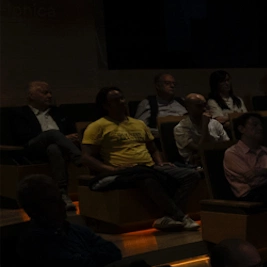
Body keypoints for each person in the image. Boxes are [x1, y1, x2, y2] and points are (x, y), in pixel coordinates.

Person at [81, 86, 202, 231]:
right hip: (124, 170)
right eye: (115, 100)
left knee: (191, 174)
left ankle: (169, 217)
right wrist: (111, 169)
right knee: (147, 179)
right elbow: (87, 157)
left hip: (149, 167)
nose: (121, 102)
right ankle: (180, 216)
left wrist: (160, 162)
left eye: (122, 98)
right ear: (106, 106)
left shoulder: (138, 123)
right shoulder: (97, 126)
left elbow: (153, 149)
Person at [11, 175, 120, 267]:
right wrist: (93, 256)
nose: (63, 204)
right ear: (34, 208)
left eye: (60, 197)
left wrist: (86, 258)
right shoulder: (32, 242)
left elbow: (113, 251)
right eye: (53, 200)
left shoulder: (75, 229)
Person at [6, 80, 82, 204]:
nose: (50, 96)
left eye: (50, 93)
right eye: (45, 93)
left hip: (58, 149)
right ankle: (79, 158)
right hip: (32, 148)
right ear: (31, 96)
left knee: (53, 148)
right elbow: (21, 136)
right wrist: (57, 137)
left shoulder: (58, 112)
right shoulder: (19, 113)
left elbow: (71, 131)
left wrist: (63, 139)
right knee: (52, 133)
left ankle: (62, 193)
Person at [221, 113, 267, 206]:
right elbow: (254, 182)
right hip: (250, 195)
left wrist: (265, 172)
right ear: (241, 129)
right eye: (255, 125)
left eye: (261, 125)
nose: (260, 128)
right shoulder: (233, 153)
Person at [172, 93, 227, 168]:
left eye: (205, 105)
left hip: (220, 159)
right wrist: (205, 126)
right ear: (187, 107)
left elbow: (226, 144)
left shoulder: (215, 124)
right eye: (199, 106)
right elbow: (202, 151)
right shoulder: (180, 129)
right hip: (196, 165)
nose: (204, 109)